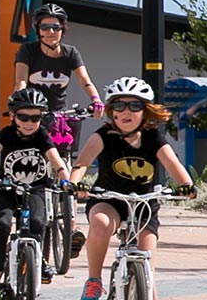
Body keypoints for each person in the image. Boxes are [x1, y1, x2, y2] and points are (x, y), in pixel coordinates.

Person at [69, 77, 198, 300]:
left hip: (144, 204)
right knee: (100, 224)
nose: (126, 111)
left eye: (135, 105)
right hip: (108, 199)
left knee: (148, 273)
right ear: (111, 111)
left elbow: (173, 165)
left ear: (145, 111)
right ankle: (94, 281)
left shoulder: (154, 138)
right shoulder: (103, 136)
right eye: (119, 105)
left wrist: (186, 185)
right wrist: (75, 183)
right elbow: (81, 164)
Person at [13, 2, 101, 258]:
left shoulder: (71, 53)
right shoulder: (27, 51)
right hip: (35, 114)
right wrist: (21, 104)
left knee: (67, 166)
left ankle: (70, 226)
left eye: (56, 26)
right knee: (32, 164)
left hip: (61, 118)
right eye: (45, 27)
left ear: (63, 29)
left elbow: (85, 80)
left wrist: (95, 100)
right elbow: (20, 80)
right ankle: (26, 212)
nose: (51, 31)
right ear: (37, 30)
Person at [0, 88, 71, 300]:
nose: (29, 123)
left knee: (38, 222)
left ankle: (40, 259)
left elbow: (56, 161)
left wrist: (65, 178)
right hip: (7, 188)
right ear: (12, 116)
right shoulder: (7, 134)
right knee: (2, 224)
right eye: (23, 117)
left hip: (36, 187)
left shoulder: (41, 136)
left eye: (35, 117)